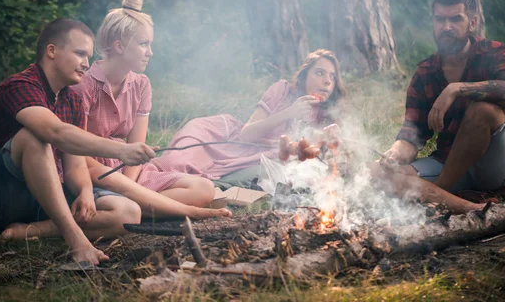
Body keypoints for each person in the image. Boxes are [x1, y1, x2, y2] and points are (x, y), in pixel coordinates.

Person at [0, 18, 157, 265]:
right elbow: (56, 132)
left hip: (36, 196)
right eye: (80, 54)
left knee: (128, 212)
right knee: (34, 136)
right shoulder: (21, 85)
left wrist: (84, 191)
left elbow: (74, 167)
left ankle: (31, 231)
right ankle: (76, 240)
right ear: (52, 51)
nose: (86, 63)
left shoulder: (71, 101)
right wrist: (122, 150)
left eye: (89, 56)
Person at [71, 0, 232, 218]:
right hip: (91, 169)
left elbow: (136, 147)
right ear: (119, 47)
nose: (150, 53)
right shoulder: (85, 84)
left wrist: (129, 186)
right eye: (144, 44)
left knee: (204, 188)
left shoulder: (141, 85)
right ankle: (155, 209)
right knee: (127, 195)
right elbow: (76, 150)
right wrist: (123, 186)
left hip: (127, 170)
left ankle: (139, 207)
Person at [371, 0, 505, 213]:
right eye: (440, 19)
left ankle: (437, 198)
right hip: (448, 163)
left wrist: (457, 89)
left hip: (494, 166)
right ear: (433, 22)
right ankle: (470, 208)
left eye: (456, 19)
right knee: (377, 172)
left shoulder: (493, 52)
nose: (447, 27)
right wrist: (394, 153)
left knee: (482, 111)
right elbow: (412, 135)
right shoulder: (426, 72)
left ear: (472, 23)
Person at [133, 48, 347, 200]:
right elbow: (247, 134)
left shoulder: (327, 119)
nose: (327, 81)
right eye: (320, 73)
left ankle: (150, 200)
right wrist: (289, 112)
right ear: (303, 77)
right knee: (181, 158)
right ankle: (136, 185)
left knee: (227, 183)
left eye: (332, 77)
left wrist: (328, 145)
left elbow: (319, 166)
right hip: (228, 141)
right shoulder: (282, 90)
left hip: (259, 163)